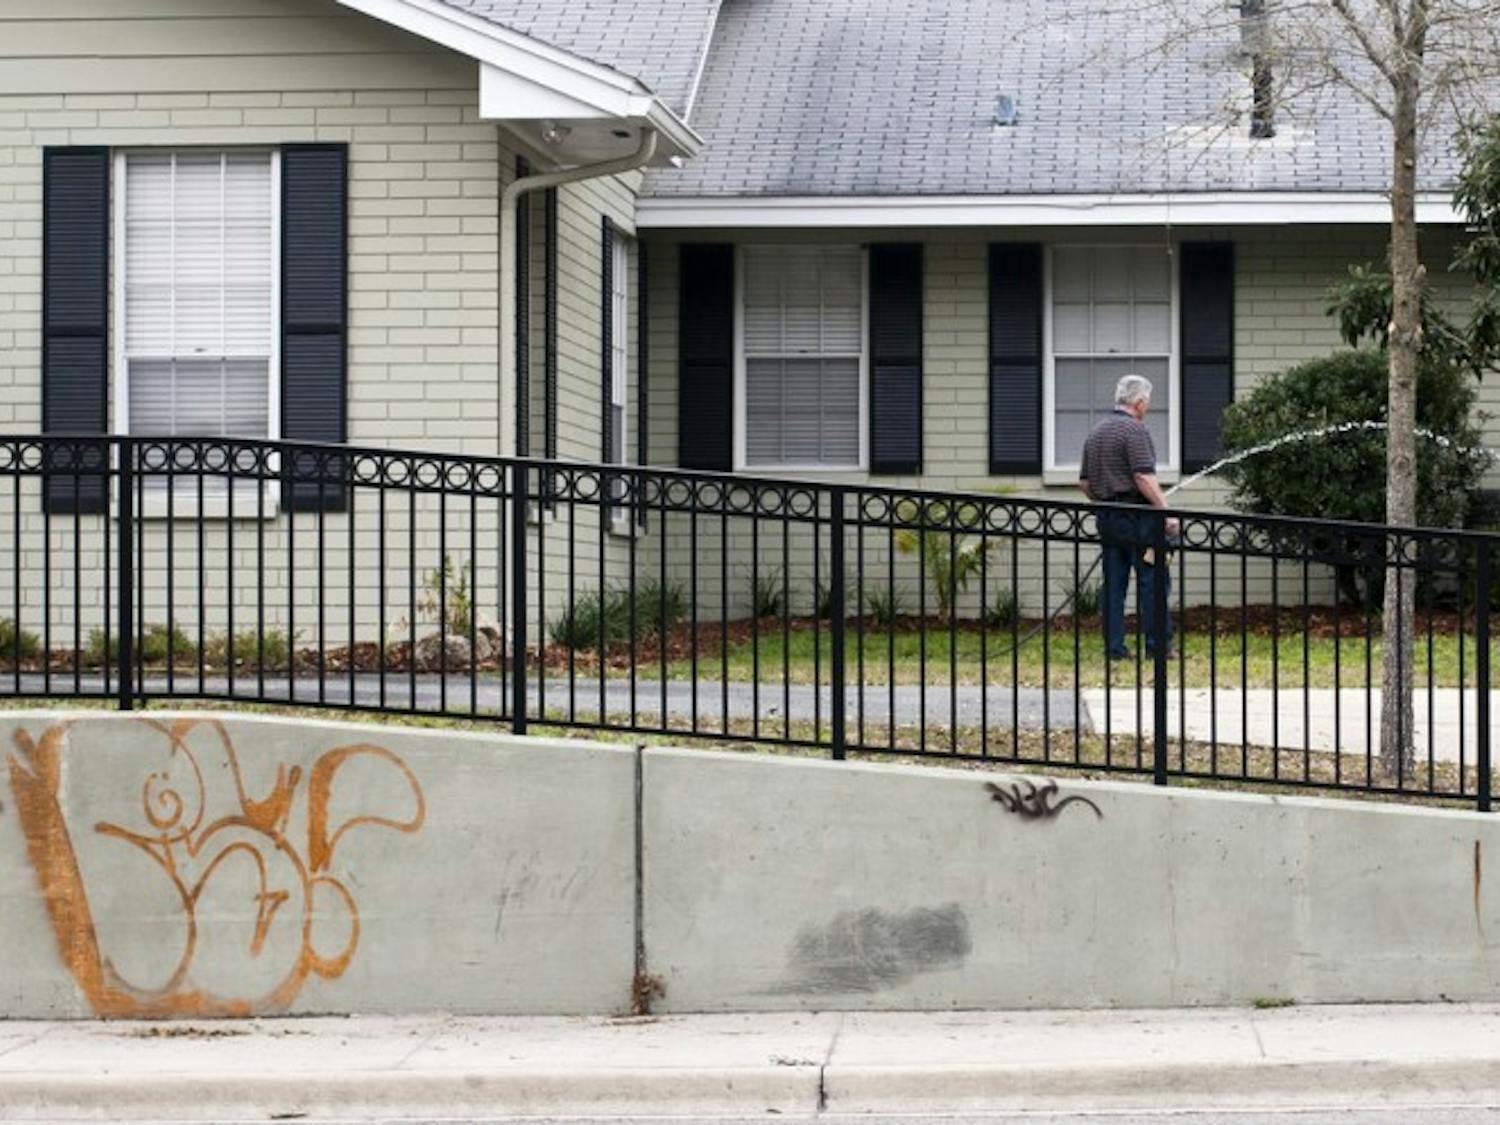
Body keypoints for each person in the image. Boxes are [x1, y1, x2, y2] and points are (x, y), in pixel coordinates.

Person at [1078, 374, 1179, 660]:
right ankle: (1157, 647)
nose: (1147, 407)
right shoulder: (1134, 431)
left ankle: (1115, 648)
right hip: (1139, 518)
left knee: (1113, 584)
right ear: (1139, 402)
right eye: (1147, 402)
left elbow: (1085, 482)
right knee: (1153, 580)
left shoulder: (1097, 431)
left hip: (1109, 518)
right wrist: (1165, 511)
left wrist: (1104, 502)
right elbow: (1143, 477)